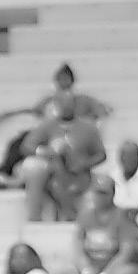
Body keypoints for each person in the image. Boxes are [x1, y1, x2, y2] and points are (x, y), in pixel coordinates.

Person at [0, 62, 110, 191]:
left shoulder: (84, 100)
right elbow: (32, 111)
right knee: (20, 142)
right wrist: (6, 116)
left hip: (71, 137)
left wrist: (86, 121)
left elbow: (103, 111)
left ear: (72, 81)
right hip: (46, 136)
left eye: (66, 79)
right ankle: (5, 172)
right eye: (60, 79)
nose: (63, 82)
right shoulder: (49, 100)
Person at [17, 91, 106, 221]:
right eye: (63, 104)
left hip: (78, 174)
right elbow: (26, 146)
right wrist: (46, 151)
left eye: (69, 104)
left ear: (75, 105)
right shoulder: (47, 125)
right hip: (52, 171)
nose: (66, 107)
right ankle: (34, 216)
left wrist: (84, 164)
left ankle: (70, 213)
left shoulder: (88, 128)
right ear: (57, 105)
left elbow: (101, 155)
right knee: (34, 168)